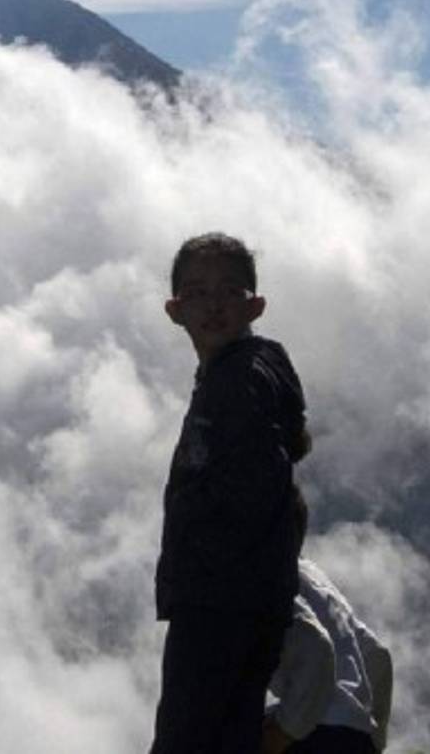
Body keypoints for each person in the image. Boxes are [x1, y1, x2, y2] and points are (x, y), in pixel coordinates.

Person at [150, 233, 311, 754]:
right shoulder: (243, 373)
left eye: (229, 291)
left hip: (219, 603)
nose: (213, 304)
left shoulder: (237, 380)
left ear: (254, 305)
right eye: (197, 292)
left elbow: (256, 484)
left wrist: (205, 566)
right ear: (175, 309)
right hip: (248, 601)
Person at [262, 488, 392, 754]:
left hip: (315, 737)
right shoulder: (318, 583)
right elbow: (378, 656)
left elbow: (316, 649)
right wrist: (372, 740)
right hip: (354, 735)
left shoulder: (270, 576)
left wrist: (283, 732)